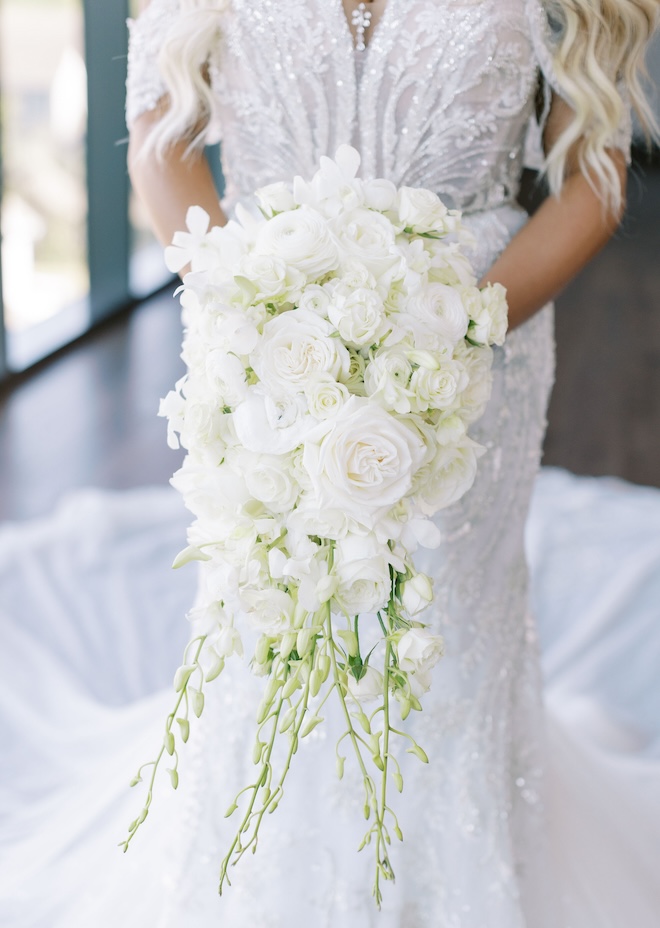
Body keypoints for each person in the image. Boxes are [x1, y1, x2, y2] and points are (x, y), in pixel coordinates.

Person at [1, 1, 659, 926]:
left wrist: (458, 333)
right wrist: (250, 308)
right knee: (270, 608)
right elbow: (159, 129)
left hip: (480, 341)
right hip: (266, 334)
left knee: (449, 623)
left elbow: (595, 173)